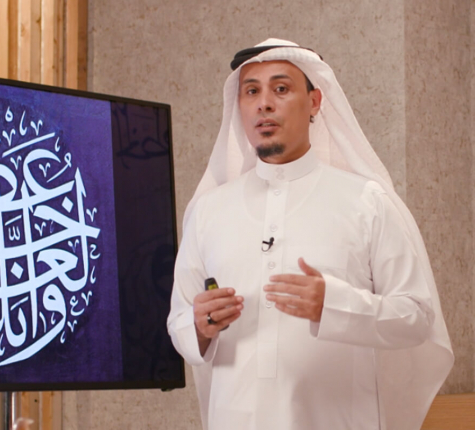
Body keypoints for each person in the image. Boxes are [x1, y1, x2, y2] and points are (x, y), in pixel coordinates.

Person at [167, 38, 453, 430]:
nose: (264, 104)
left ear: (315, 102)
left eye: (281, 89)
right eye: (251, 91)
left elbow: (416, 316)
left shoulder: (366, 202)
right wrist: (200, 326)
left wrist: (333, 305)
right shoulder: (207, 211)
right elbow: (180, 321)